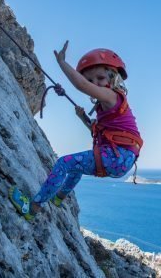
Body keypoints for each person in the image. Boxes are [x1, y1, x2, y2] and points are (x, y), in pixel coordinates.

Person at [9, 41, 143, 220]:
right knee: (76, 167)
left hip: (115, 156)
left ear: (113, 78)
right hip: (120, 158)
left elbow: (82, 86)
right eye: (91, 80)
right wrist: (84, 120)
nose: (95, 83)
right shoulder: (108, 106)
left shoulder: (112, 96)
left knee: (64, 164)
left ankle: (32, 209)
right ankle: (58, 198)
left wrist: (62, 63)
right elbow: (104, 133)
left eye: (100, 78)